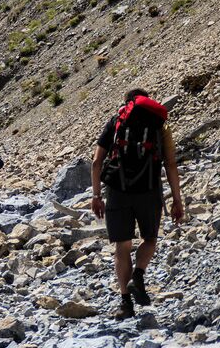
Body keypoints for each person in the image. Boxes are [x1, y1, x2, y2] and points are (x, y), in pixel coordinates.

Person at [91, 88, 184, 319]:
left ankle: (125, 303)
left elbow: (96, 162)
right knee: (149, 239)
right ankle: (139, 276)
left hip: (118, 191)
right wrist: (177, 200)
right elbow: (171, 164)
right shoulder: (159, 126)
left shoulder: (116, 121)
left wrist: (96, 196)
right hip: (149, 190)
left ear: (127, 103)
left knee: (122, 248)